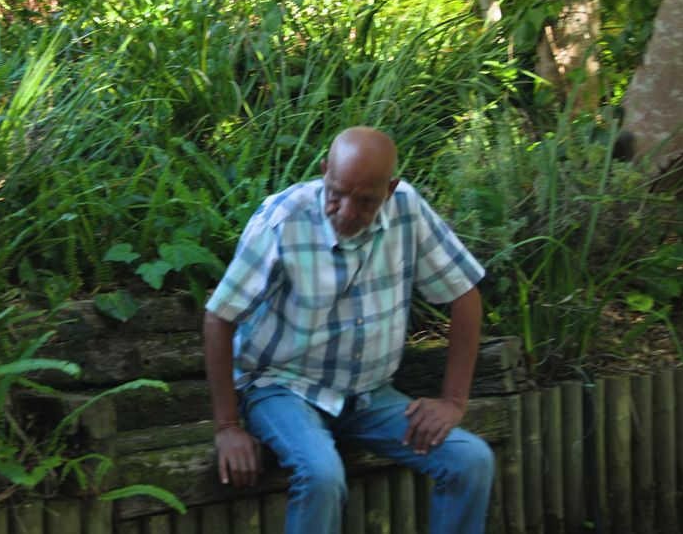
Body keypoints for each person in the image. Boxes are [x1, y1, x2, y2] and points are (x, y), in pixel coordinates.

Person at [203, 127, 493, 534]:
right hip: (282, 387)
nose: (345, 211)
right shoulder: (282, 219)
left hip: (369, 396)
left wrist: (452, 400)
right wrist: (228, 427)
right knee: (322, 475)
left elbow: (464, 294)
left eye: (366, 201)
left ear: (389, 190)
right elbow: (219, 316)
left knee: (471, 461)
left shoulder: (408, 208)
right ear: (325, 172)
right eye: (336, 193)